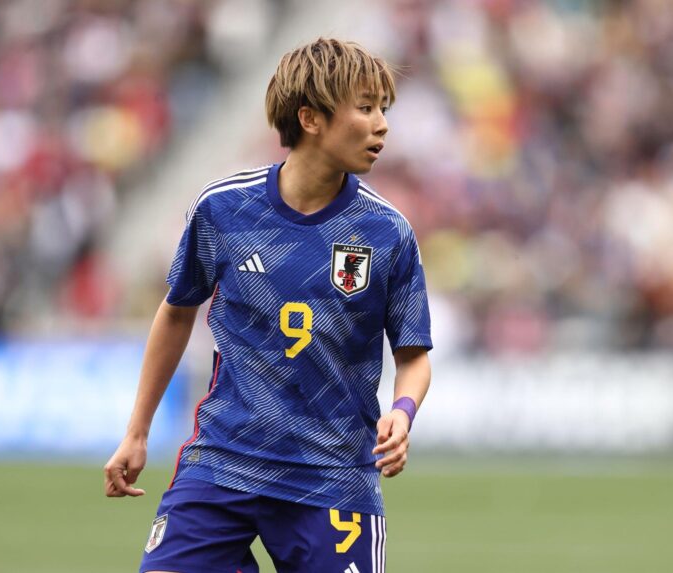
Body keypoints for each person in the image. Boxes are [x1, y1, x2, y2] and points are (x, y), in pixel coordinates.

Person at [104, 37, 432, 573]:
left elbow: (413, 354)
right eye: (367, 108)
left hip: (333, 477)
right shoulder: (223, 210)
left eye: (384, 110)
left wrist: (403, 411)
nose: (383, 125)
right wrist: (137, 432)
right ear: (311, 118)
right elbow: (177, 310)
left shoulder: (387, 232)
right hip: (223, 464)